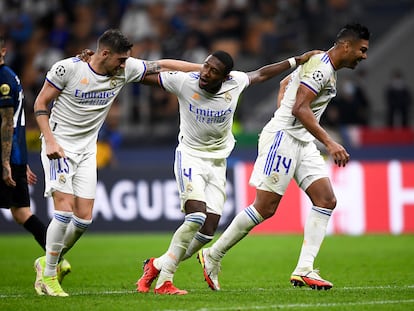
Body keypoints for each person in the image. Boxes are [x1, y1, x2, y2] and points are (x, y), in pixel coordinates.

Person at [197, 23, 370, 291]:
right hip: (284, 140)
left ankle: (304, 269)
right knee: (265, 207)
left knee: (326, 199)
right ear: (346, 45)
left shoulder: (322, 65)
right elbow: (300, 108)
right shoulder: (322, 67)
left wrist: (286, 111)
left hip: (300, 140)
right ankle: (212, 255)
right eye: (362, 49)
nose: (364, 55)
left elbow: (285, 84)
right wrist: (329, 141)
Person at [134, 49, 320, 295]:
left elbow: (262, 74)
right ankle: (165, 281)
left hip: (218, 162)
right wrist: (117, 66)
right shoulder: (184, 82)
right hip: (190, 157)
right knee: (196, 217)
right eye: (205, 66)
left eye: (213, 71)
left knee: (208, 231)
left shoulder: (236, 83)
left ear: (225, 77)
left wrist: (296, 60)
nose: (205, 74)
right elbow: (145, 76)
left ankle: (157, 264)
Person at [32, 28, 201, 297]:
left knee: (83, 220)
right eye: (121, 60)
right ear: (104, 53)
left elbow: (166, 64)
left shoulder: (124, 68)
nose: (125, 66)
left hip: (88, 149)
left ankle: (46, 262)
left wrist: (203, 69)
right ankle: (50, 276)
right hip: (59, 145)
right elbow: (41, 102)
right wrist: (50, 141)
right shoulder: (67, 70)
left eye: (127, 61)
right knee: (63, 211)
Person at [0, 35, 71, 282]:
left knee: (21, 211)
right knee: (21, 213)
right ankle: (56, 258)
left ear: (3, 52)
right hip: (16, 156)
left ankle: (55, 258)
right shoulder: (12, 77)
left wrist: (6, 162)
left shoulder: (4, 80)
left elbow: (8, 122)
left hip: (7, 157)